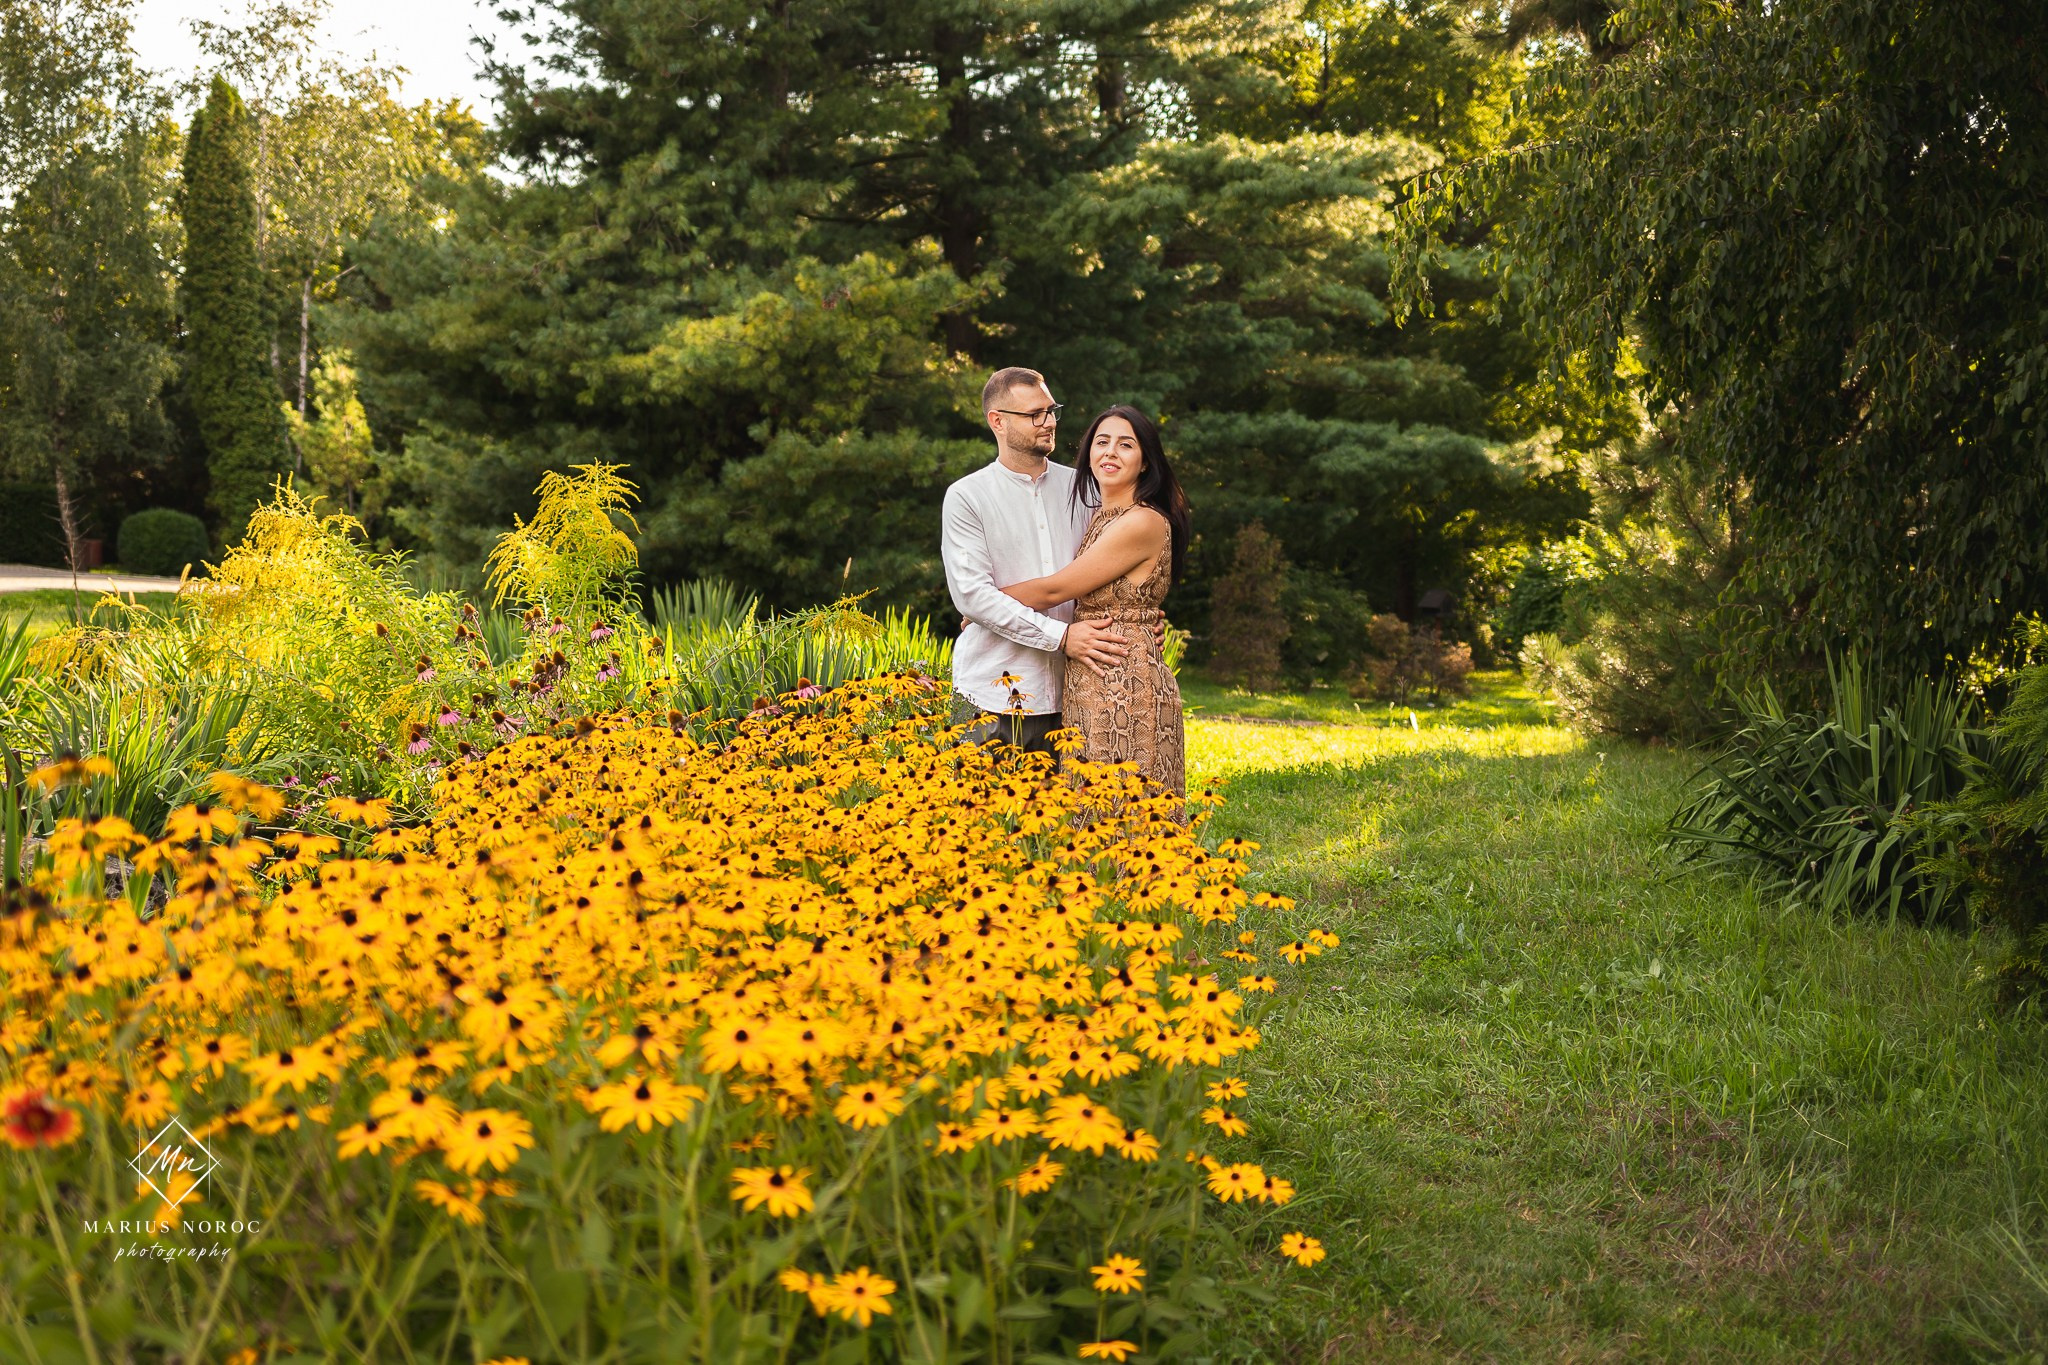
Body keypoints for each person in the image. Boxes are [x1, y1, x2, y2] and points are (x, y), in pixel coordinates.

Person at [997, 405, 1189, 798]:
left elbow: (1055, 590)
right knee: (1090, 805)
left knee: (1126, 808)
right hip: (1093, 675)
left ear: (1146, 462)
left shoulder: (1142, 521)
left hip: (1125, 681)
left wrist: (984, 606)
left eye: (1126, 445)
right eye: (1102, 442)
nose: (1110, 453)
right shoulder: (1102, 515)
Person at [941, 367, 1130, 754]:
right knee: (984, 815)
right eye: (1034, 415)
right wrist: (1061, 638)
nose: (1048, 423)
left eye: (1051, 410)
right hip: (991, 699)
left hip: (1078, 697)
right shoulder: (967, 497)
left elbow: (1118, 571)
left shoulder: (1087, 489)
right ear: (998, 422)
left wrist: (1142, 620)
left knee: (1067, 815)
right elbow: (974, 597)